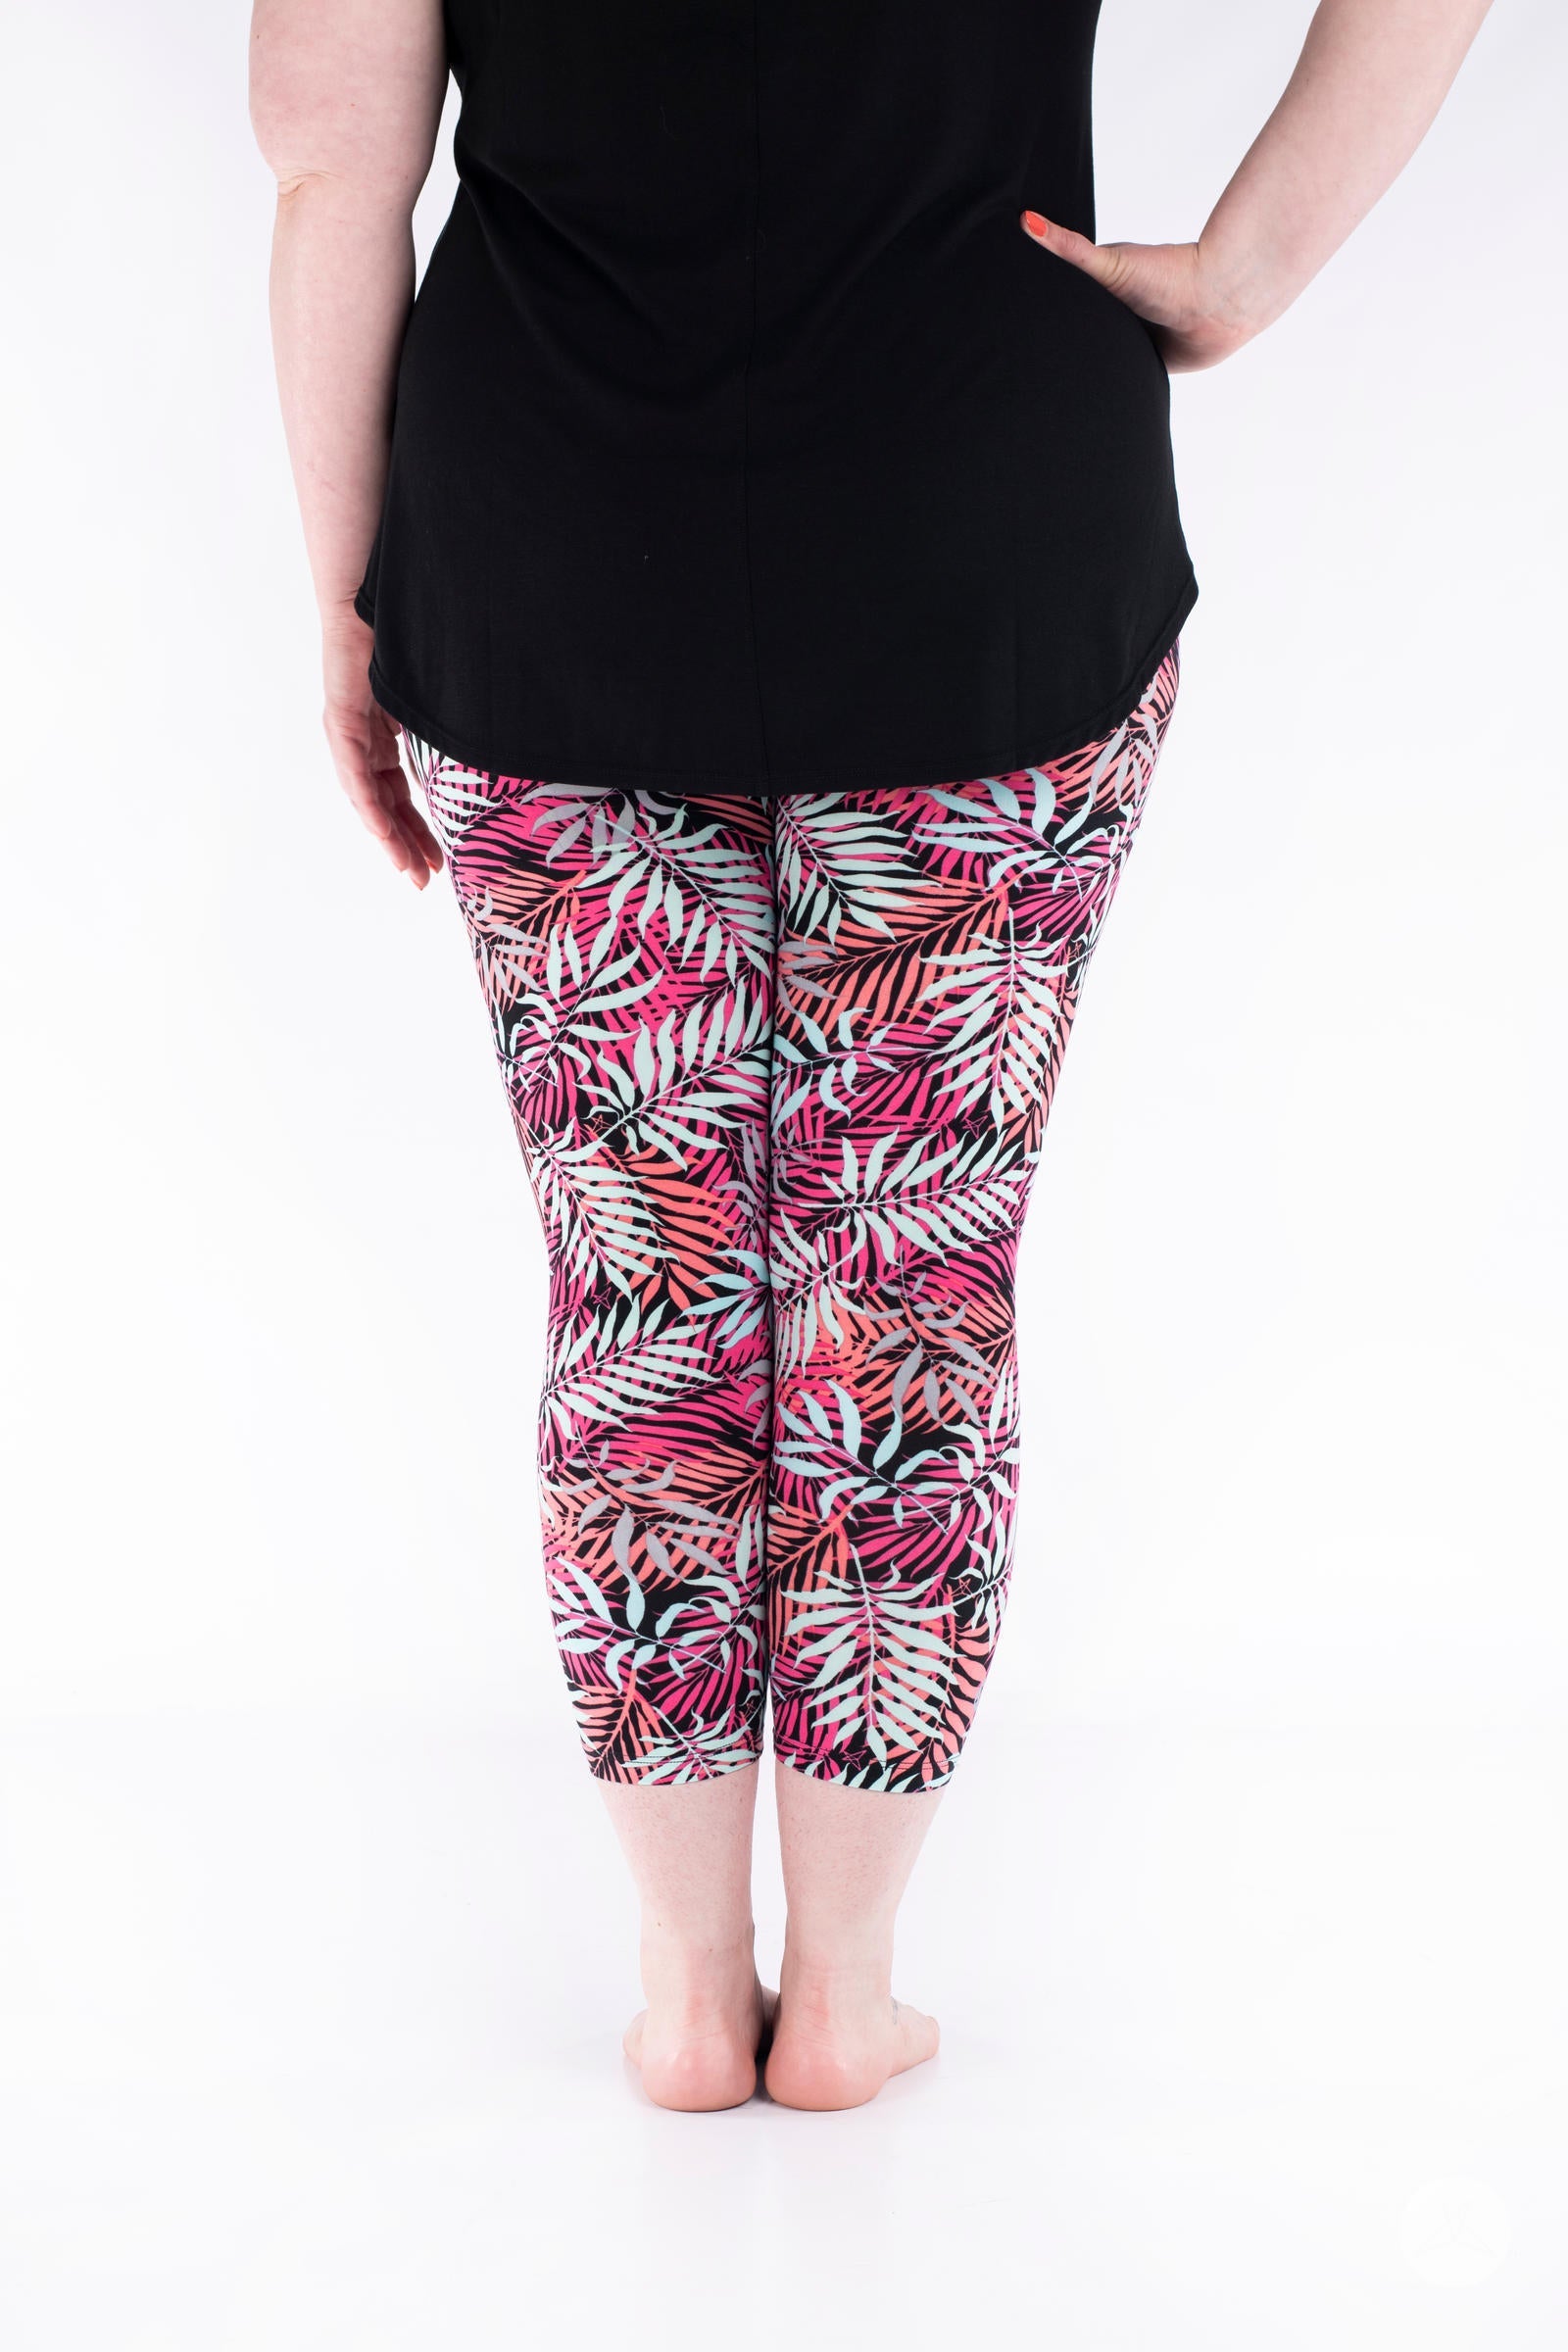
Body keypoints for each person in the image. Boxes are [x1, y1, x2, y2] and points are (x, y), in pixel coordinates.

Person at [250, 0, 1494, 2112]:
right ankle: (842, 1991)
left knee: (645, 1293)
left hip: (549, 546)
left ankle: (683, 1991)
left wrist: (344, 600)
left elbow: (327, 151)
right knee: (902, 1303)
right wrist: (1243, 267)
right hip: (982, 533)